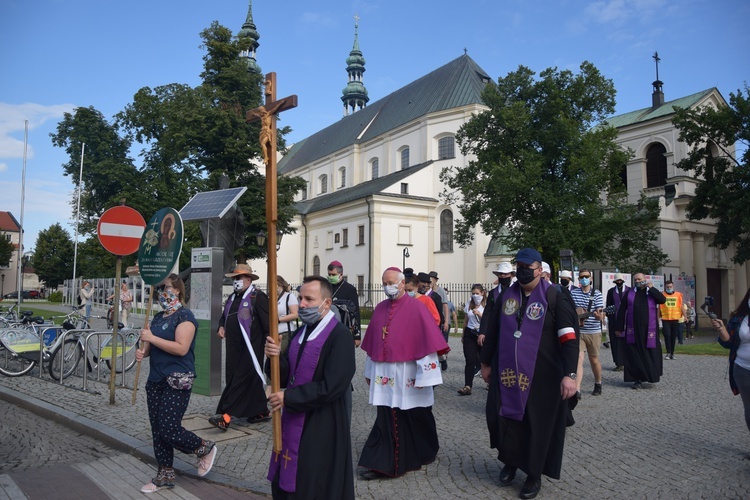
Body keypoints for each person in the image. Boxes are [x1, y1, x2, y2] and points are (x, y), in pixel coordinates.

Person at [480, 248, 578, 499]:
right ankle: (510, 462)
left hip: (542, 376)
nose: (523, 272)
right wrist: (486, 363)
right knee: (503, 419)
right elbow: (493, 331)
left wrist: (569, 374)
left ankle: (533, 475)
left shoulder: (555, 297)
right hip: (507, 373)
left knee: (536, 425)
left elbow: (568, 338)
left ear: (539, 270)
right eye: (519, 267)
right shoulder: (506, 296)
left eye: (528, 268)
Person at [264, 276, 356, 499]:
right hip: (296, 416)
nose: (302, 304)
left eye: (308, 299)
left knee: (313, 479)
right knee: (291, 475)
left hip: (323, 422)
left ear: (326, 303)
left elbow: (333, 386)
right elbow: (287, 377)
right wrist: (275, 359)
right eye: (300, 298)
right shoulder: (300, 333)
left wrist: (289, 398)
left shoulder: (340, 336)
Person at [358, 267, 449, 480]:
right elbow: (372, 343)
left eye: (391, 282)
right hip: (385, 374)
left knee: (415, 414)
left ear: (401, 284)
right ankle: (383, 462)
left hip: (409, 373)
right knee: (387, 415)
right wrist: (369, 370)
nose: (387, 286)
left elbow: (426, 343)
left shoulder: (417, 308)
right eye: (383, 282)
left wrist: (426, 377)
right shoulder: (380, 308)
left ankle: (419, 452)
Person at [135, 274, 217, 493]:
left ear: (178, 290)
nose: (163, 293)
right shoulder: (159, 316)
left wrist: (151, 339)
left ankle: (204, 448)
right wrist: (143, 350)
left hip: (177, 380)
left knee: (169, 428)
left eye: (167, 288)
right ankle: (165, 474)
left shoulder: (185, 317)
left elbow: (181, 348)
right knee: (157, 429)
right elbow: (151, 347)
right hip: (156, 380)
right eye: (161, 289)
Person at [209, 264, 270, 431]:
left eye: (239, 278)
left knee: (239, 381)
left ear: (248, 280)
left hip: (250, 348)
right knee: (246, 380)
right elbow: (224, 317)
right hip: (233, 347)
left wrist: (270, 344)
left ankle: (226, 416)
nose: (236, 281)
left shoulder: (258, 297)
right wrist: (221, 327)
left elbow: (268, 323)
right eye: (234, 278)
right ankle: (260, 411)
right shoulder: (232, 298)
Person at [614, 273, 666, 389]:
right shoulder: (629, 293)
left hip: (649, 330)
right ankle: (637, 379)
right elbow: (622, 310)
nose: (638, 281)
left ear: (645, 280)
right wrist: (619, 327)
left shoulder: (650, 292)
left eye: (640, 279)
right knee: (634, 355)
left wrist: (651, 288)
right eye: (636, 279)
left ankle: (651, 376)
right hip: (634, 330)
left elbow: (662, 300)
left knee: (650, 352)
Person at [712, 286, 750, 438]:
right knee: (749, 407)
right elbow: (729, 342)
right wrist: (721, 329)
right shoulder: (740, 318)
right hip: (742, 369)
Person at [570, 268, 605, 397]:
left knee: (593, 360)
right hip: (579, 331)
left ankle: (598, 382)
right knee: (579, 359)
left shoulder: (597, 294)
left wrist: (599, 316)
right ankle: (577, 390)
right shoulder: (574, 294)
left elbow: (601, 313)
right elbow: (571, 310)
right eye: (581, 277)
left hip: (593, 331)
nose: (584, 279)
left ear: (590, 278)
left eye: (586, 276)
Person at [458, 284, 485, 396]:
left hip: (483, 333)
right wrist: (463, 335)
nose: (475, 296)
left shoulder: (487, 304)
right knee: (470, 360)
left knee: (485, 360)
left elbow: (490, 321)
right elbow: (465, 320)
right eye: (473, 293)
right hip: (470, 332)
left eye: (477, 293)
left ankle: (490, 382)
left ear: (482, 293)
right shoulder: (470, 303)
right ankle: (468, 385)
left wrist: (479, 314)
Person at [327, 260, 361, 347]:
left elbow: (355, 312)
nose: (331, 277)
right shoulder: (325, 287)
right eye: (329, 274)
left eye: (333, 275)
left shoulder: (349, 289)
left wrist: (357, 335)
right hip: (327, 327)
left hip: (344, 327)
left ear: (341, 274)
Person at [419, 272, 448, 370]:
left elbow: (439, 313)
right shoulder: (418, 296)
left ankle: (442, 360)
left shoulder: (435, 296)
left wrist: (442, 323)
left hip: (432, 326)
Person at [605, 273, 628, 372]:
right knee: (615, 342)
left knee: (626, 342)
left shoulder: (629, 290)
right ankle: (618, 363)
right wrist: (611, 318)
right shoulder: (611, 292)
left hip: (627, 320)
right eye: (617, 281)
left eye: (620, 280)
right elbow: (608, 306)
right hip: (614, 320)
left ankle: (627, 362)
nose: (619, 282)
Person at [659, 280, 685, 360]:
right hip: (665, 318)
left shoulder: (678, 295)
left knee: (673, 337)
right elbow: (659, 307)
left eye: (670, 287)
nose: (669, 288)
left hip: (675, 318)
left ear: (673, 286)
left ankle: (672, 353)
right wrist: (657, 317)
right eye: (667, 287)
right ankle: (668, 352)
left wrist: (685, 315)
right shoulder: (662, 295)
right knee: (667, 335)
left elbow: (681, 306)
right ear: (665, 287)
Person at [276, 275, 299, 353]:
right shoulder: (272, 298)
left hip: (285, 332)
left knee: (279, 356)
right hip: (274, 332)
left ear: (280, 284)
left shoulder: (289, 296)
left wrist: (278, 320)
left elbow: (295, 314)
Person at [429, 271, 451, 337]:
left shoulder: (441, 291)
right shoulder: (428, 291)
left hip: (442, 319)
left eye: (432, 280)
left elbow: (445, 306)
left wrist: (446, 321)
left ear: (436, 280)